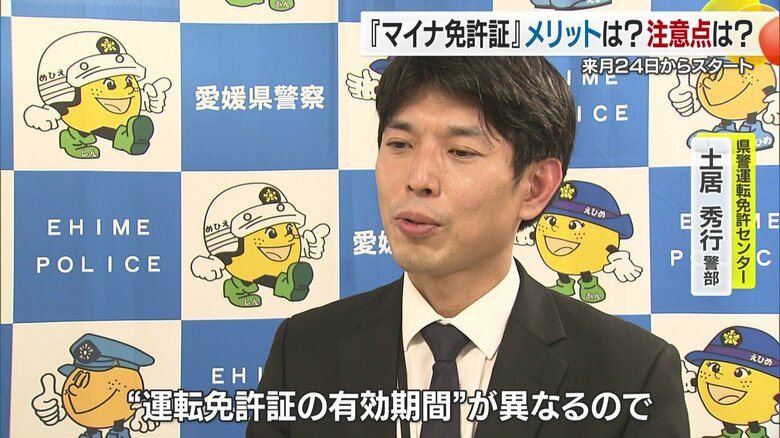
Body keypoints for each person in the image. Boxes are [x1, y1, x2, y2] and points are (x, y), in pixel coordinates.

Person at [246, 56, 690, 437]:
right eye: (399, 144)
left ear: (536, 186)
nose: (418, 179)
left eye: (460, 152)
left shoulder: (633, 373)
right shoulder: (303, 350)